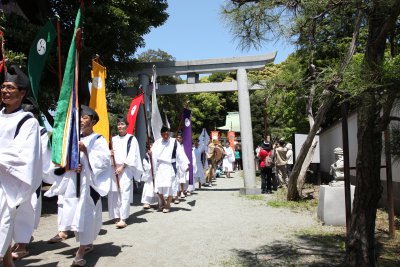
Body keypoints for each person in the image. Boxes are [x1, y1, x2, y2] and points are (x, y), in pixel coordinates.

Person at [45, 105, 112, 266]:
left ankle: (81, 252)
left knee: (85, 216)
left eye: (85, 117)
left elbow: (104, 162)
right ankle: (86, 244)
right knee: (74, 215)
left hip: (88, 186)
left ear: (93, 121)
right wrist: (71, 166)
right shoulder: (71, 138)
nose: (81, 120)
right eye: (80, 117)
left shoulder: (98, 140)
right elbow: (61, 162)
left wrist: (87, 152)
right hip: (72, 185)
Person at [0, 65, 42, 267]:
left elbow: (21, 154)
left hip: (8, 183)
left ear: (22, 93)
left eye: (10, 88)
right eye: (3, 87)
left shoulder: (28, 122)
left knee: (2, 224)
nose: (5, 91)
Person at [11, 101, 53, 260]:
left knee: (26, 209)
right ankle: (15, 242)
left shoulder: (40, 132)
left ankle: (22, 245)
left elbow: (42, 156)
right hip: (11, 175)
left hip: (28, 177)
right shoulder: (15, 128)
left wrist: (49, 176)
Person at [108, 115, 143, 229]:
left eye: (122, 124)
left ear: (127, 126)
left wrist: (123, 167)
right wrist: (110, 154)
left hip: (126, 169)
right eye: (118, 124)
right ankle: (116, 215)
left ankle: (123, 218)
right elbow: (108, 154)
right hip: (113, 168)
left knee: (124, 192)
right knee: (114, 193)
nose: (120, 126)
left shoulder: (131, 139)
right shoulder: (113, 139)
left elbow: (133, 154)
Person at [150, 126, 188, 213]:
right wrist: (150, 153)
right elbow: (153, 152)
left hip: (170, 166)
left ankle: (168, 204)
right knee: (158, 187)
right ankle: (163, 202)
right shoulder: (157, 142)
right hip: (160, 167)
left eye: (167, 133)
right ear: (161, 134)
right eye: (163, 134)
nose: (165, 135)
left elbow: (180, 154)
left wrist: (185, 165)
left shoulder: (174, 142)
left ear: (169, 133)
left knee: (171, 186)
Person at [141, 144, 158, 209]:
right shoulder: (146, 155)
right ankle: (147, 202)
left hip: (157, 174)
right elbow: (145, 163)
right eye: (150, 146)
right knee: (148, 187)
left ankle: (158, 202)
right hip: (149, 174)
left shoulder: (157, 153)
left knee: (157, 188)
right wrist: (149, 167)